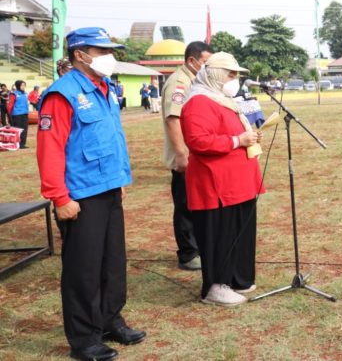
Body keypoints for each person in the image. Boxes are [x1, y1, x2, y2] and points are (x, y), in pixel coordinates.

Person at [36, 27, 145, 361]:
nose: (109, 57)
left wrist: (119, 182)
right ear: (80, 54)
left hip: (108, 188)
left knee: (112, 262)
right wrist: (59, 197)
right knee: (83, 269)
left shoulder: (105, 88)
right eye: (102, 50)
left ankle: (110, 319)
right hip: (79, 195)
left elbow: (111, 139)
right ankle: (84, 339)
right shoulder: (62, 94)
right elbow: (50, 149)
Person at [180, 52, 265, 306]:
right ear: (216, 74)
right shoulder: (199, 101)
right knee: (220, 233)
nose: (235, 79)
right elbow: (197, 140)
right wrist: (238, 140)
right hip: (216, 182)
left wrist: (249, 136)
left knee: (240, 230)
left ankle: (238, 277)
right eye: (231, 74)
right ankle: (216, 286)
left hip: (239, 181)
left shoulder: (224, 99)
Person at [161, 41, 214, 271]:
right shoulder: (180, 83)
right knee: (184, 205)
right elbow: (173, 119)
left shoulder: (194, 80)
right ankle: (188, 253)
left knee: (196, 203)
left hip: (197, 154)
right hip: (185, 157)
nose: (207, 67)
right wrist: (181, 154)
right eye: (205, 62)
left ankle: (198, 247)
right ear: (192, 61)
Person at [8, 80, 30, 148]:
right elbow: (10, 105)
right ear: (18, 86)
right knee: (18, 129)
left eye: (24, 85)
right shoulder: (14, 94)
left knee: (24, 129)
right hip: (17, 114)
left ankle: (22, 144)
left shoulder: (26, 94)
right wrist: (9, 115)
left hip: (25, 113)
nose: (23, 87)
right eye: (22, 85)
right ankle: (17, 143)